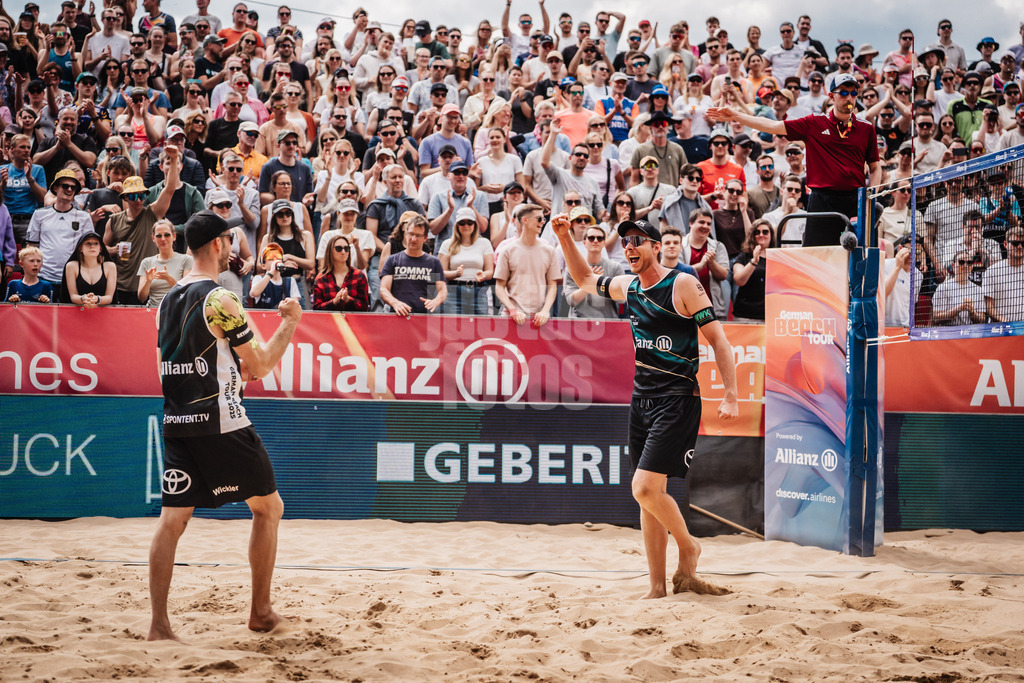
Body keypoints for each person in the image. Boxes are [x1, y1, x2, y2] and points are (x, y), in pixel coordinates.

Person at [553, 214, 737, 598]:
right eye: (626, 242)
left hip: (678, 398)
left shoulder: (683, 283)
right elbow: (586, 280)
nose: (630, 246)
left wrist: (732, 394)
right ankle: (657, 587)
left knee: (644, 488)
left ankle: (689, 546)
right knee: (649, 497)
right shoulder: (628, 286)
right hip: (642, 399)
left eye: (639, 240)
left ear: (657, 247)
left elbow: (719, 342)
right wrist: (565, 237)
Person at [148, 210, 299, 642]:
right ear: (217, 245)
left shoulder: (167, 301)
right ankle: (261, 612)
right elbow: (262, 366)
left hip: (177, 420)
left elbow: (192, 361)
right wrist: (289, 322)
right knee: (268, 509)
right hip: (222, 421)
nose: (233, 248)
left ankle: (159, 626)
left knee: (171, 520)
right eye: (230, 241)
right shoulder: (220, 299)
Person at [708, 73, 881, 246]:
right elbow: (773, 126)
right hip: (822, 200)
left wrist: (870, 197)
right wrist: (736, 116)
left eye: (853, 93)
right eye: (843, 93)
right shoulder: (814, 123)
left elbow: (875, 167)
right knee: (818, 255)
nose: (849, 98)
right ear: (831, 95)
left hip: (855, 199)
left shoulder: (866, 129)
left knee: (861, 253)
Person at [104, 158, 179, 305]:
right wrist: (114, 249)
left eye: (142, 195)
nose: (138, 200)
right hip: (121, 285)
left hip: (147, 286)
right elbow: (102, 248)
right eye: (133, 196)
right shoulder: (114, 220)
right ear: (125, 197)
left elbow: (170, 189)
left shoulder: (152, 213)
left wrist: (174, 158)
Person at [26, 169, 94, 288]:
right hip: (43, 276)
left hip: (74, 277)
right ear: (55, 188)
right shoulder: (39, 214)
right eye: (65, 186)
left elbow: (90, 248)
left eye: (73, 188)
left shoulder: (84, 217)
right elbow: (31, 247)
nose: (69, 190)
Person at [493, 203, 559, 325]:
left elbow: (552, 285)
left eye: (543, 219)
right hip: (510, 318)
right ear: (525, 220)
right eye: (539, 219)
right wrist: (513, 311)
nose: (542, 222)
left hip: (538, 320)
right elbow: (499, 286)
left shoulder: (549, 251)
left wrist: (545, 311)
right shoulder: (507, 250)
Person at [378, 215, 446, 315]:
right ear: (405, 234)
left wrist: (436, 300)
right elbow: (384, 289)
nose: (413, 239)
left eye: (418, 235)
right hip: (398, 315)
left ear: (425, 237)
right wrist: (395, 303)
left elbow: (442, 289)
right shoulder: (393, 260)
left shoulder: (432, 263)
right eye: (411, 234)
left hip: (424, 317)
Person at [438, 207, 494, 315]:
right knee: (452, 328)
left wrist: (482, 274)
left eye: (470, 222)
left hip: (478, 290)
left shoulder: (484, 243)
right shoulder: (447, 244)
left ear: (475, 224)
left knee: (480, 328)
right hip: (454, 291)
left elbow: (490, 271)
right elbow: (441, 273)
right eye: (462, 223)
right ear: (457, 225)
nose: (466, 226)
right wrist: (456, 273)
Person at [562, 222, 623, 318]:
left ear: (604, 242)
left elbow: (622, 299)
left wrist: (599, 282)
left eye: (600, 238)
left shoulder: (615, 267)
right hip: (579, 322)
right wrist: (590, 283)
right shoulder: (572, 268)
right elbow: (571, 300)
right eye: (591, 238)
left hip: (607, 322)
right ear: (584, 242)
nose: (595, 241)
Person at [137, 219, 194, 308]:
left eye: (167, 235)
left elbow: (186, 292)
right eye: (159, 236)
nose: (163, 239)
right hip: (153, 311)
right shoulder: (146, 262)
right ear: (153, 238)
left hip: (176, 310)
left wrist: (169, 278)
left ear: (174, 236)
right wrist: (148, 281)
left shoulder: (186, 260)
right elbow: (141, 298)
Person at [311, 233, 370, 311]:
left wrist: (349, 299)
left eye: (346, 248)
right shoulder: (321, 278)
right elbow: (316, 309)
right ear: (330, 251)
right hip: (329, 321)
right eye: (338, 248)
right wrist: (334, 302)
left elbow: (365, 307)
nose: (343, 252)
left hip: (355, 321)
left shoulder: (359, 276)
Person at [731, 220, 774, 322]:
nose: (761, 235)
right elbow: (739, 280)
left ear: (771, 235)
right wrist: (754, 261)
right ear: (752, 235)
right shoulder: (744, 257)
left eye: (765, 232)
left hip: (770, 315)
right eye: (757, 232)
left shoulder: (777, 256)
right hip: (745, 315)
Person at [931, 249, 987, 326]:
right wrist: (959, 309)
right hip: (949, 332)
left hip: (971, 333)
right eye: (961, 262)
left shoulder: (978, 290)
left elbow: (982, 319)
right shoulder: (943, 288)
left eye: (969, 263)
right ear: (953, 265)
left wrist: (972, 312)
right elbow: (936, 318)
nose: (965, 266)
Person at [62, 230, 117, 307]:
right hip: (77, 312)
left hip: (103, 313)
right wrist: (83, 299)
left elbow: (109, 297)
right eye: (88, 243)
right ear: (80, 248)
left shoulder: (110, 266)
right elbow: (73, 296)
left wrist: (97, 299)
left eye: (96, 243)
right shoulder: (71, 266)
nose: (92, 246)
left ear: (100, 249)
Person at [983, 226, 1024, 323]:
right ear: (1005, 244)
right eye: (1015, 243)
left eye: (1023, 243)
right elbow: (989, 306)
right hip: (1001, 329)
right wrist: (1007, 323)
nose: (1020, 247)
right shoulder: (992, 271)